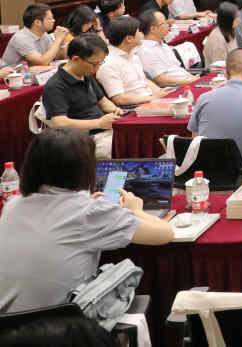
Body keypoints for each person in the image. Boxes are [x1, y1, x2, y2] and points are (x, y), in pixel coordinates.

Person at [0, 127, 174, 314]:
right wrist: (135, 211)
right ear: (85, 168)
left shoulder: (12, 205)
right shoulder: (89, 213)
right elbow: (166, 233)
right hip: (60, 326)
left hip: (8, 324)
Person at [40, 34, 125, 159]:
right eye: (95, 64)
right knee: (127, 146)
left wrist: (115, 110)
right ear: (76, 59)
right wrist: (99, 123)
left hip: (105, 131)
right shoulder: (55, 86)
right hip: (83, 140)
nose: (97, 69)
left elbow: (103, 102)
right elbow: (59, 123)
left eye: (100, 63)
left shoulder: (85, 75)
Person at [95, 16, 169, 107]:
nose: (142, 34)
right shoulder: (108, 64)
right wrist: (151, 98)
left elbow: (144, 81)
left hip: (150, 100)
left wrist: (160, 92)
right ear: (129, 39)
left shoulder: (133, 56)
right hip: (135, 107)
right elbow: (119, 98)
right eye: (139, 32)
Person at [135, 10, 198, 87]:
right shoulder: (145, 51)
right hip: (176, 88)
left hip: (187, 81)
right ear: (153, 29)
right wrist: (189, 82)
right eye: (164, 23)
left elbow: (177, 69)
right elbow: (161, 80)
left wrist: (194, 78)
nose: (168, 24)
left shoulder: (164, 45)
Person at [1, 3, 68, 67]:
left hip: (36, 72)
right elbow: (42, 62)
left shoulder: (44, 34)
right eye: (49, 18)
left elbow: (59, 58)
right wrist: (58, 39)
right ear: (37, 22)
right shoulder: (20, 38)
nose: (53, 20)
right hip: (12, 73)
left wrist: (62, 43)